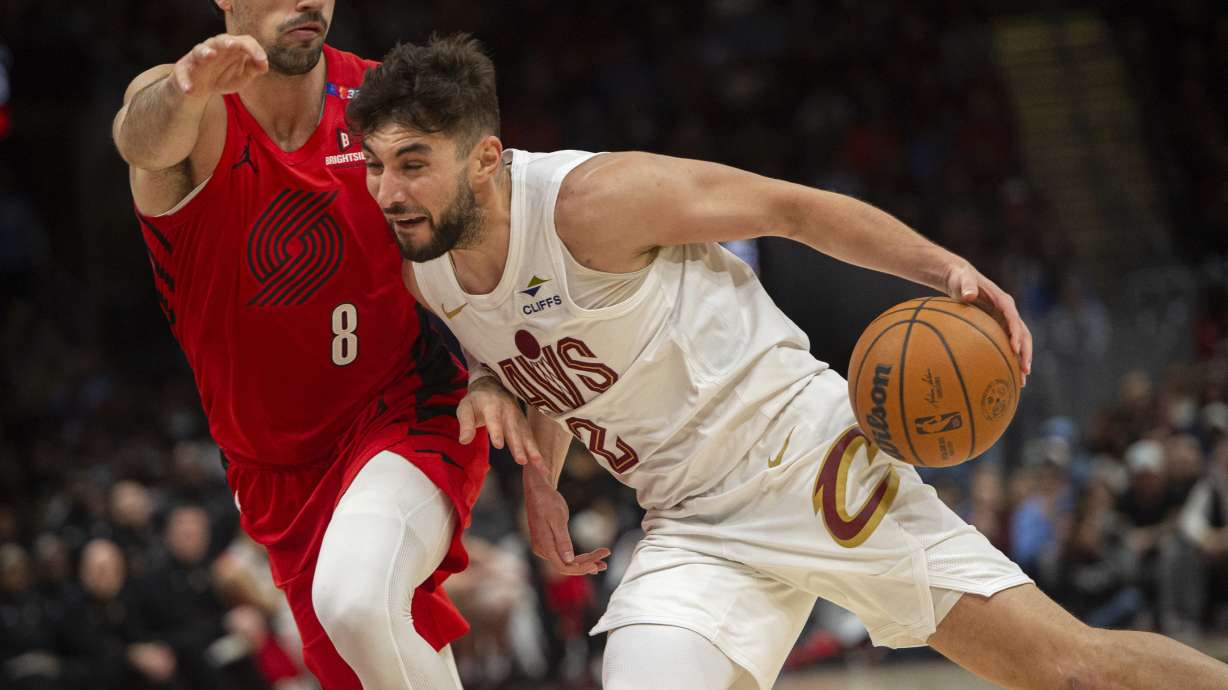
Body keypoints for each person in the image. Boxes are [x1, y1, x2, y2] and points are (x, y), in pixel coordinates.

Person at [350, 34, 1228, 690]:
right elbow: (533, 351)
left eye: (414, 164)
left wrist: (945, 269)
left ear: (488, 159)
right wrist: (534, 458)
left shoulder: (595, 201)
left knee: (1072, 670)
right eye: (380, 166)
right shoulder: (429, 267)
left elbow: (790, 208)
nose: (389, 191)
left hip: (812, 466)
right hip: (692, 524)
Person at [110, 4, 537, 688]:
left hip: (404, 409)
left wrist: (492, 367)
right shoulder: (187, 108)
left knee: (358, 600)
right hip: (273, 467)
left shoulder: (385, 99)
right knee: (370, 658)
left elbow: (493, 239)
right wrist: (184, 86)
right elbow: (141, 140)